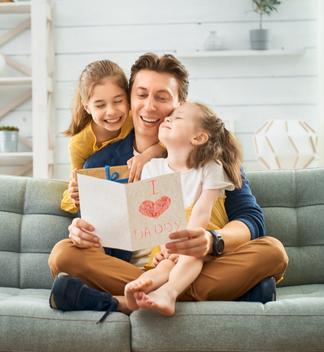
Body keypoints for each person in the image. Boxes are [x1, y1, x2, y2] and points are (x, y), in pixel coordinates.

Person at [48, 53, 288, 323]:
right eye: (141, 95)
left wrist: (211, 240)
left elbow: (251, 220)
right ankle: (227, 293)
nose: (149, 107)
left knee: (273, 251)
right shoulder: (101, 162)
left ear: (180, 105)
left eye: (162, 98)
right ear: (130, 99)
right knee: (62, 254)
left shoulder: (210, 156)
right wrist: (81, 231)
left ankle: (121, 302)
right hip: (134, 268)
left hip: (197, 263)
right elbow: (93, 229)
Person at [124, 102, 242, 317]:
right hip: (167, 243)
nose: (167, 119)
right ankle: (141, 286)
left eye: (177, 118)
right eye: (169, 117)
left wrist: (184, 246)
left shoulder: (211, 167)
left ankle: (168, 292)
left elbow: (202, 211)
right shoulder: (152, 168)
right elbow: (157, 218)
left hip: (201, 242)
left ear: (198, 138)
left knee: (191, 256)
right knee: (164, 267)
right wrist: (166, 248)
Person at [60, 59, 165, 214]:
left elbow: (175, 136)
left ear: (128, 98)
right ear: (87, 107)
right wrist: (75, 194)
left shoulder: (134, 118)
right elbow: (77, 182)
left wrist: (148, 155)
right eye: (100, 105)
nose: (111, 112)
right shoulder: (78, 143)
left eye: (118, 101)